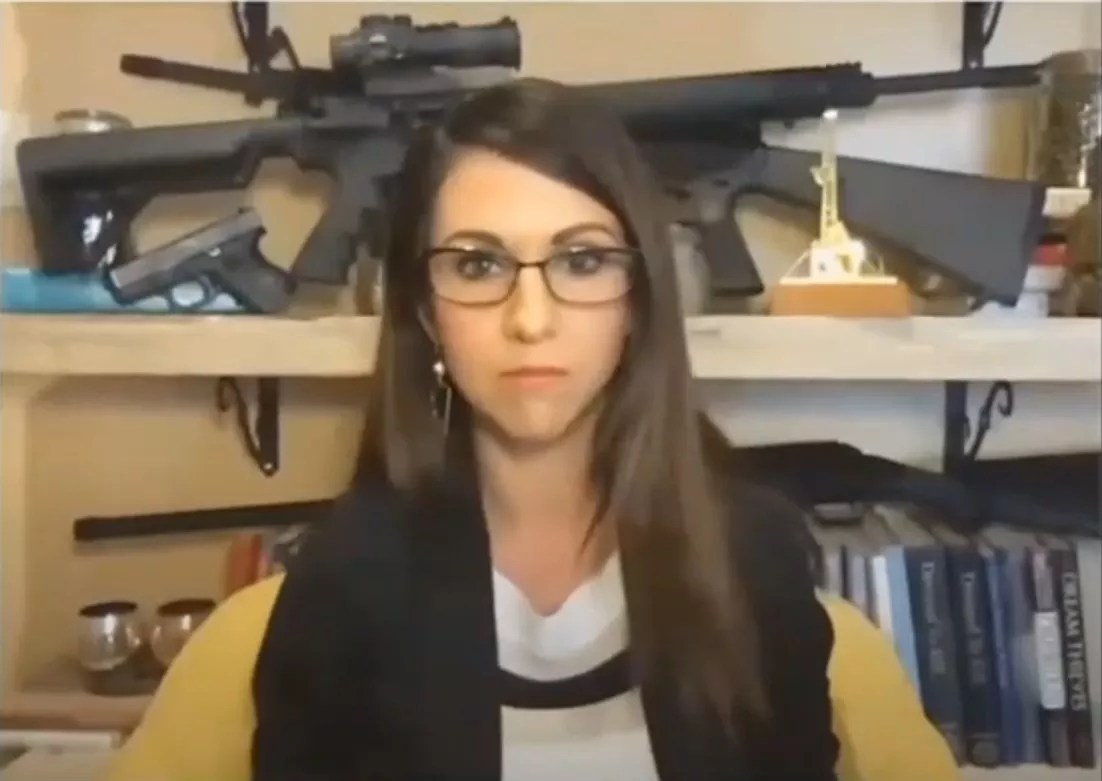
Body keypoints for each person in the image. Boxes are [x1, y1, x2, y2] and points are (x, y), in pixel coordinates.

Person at [106, 78, 958, 781]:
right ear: (425, 311)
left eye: (582, 260)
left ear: (637, 301)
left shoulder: (756, 561)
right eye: (478, 264)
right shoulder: (340, 585)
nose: (531, 318)